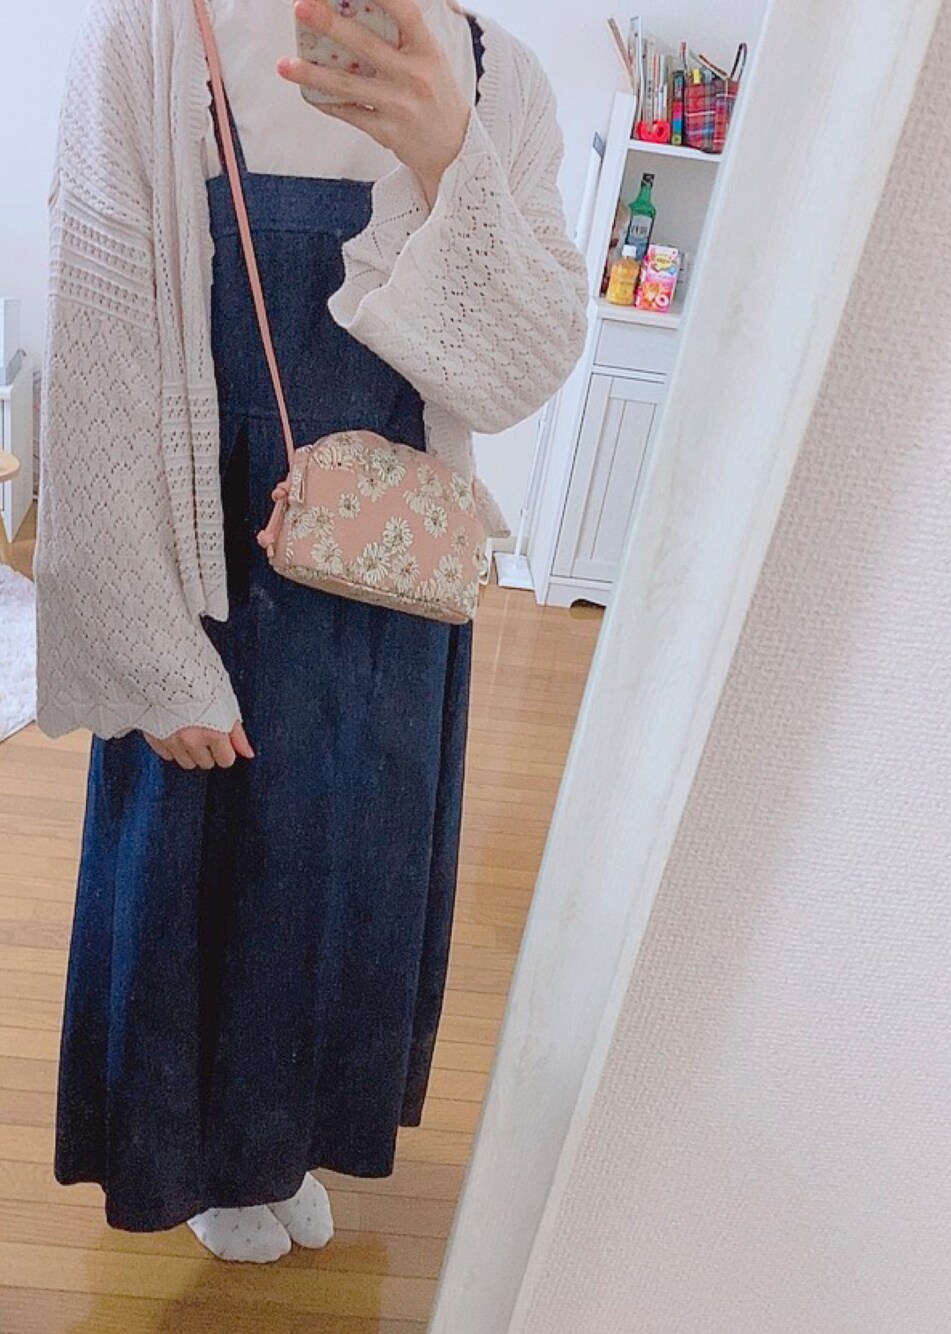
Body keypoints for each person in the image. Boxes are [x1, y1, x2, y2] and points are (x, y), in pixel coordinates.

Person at [34, 0, 587, 1261]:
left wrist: (450, 155)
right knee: (199, 865)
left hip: (387, 572)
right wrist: (150, 655)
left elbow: (518, 371)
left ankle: (282, 1144)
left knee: (349, 872)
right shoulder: (146, 37)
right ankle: (206, 1157)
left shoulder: (501, 77)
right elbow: (100, 350)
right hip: (204, 558)